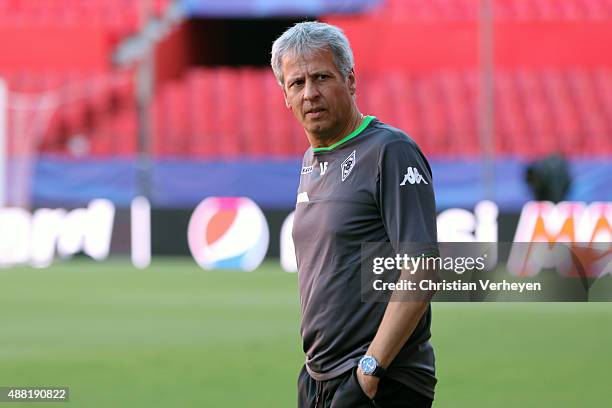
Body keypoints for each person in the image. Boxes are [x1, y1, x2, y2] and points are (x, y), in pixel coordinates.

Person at [271, 21, 438, 408]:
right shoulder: (311, 161)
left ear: (350, 81)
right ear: (285, 96)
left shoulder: (389, 151)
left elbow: (422, 268)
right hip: (319, 377)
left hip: (382, 378)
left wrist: (370, 370)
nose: (310, 93)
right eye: (297, 83)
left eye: (321, 77)